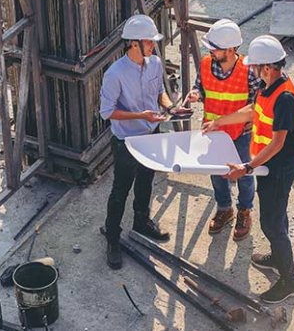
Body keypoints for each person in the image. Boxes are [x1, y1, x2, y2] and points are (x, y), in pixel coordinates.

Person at [203, 35, 294, 304]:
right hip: (268, 166)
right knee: (275, 217)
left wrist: (246, 167)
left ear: (268, 67)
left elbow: (278, 142)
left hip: (278, 168)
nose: (252, 71)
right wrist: (219, 122)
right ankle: (277, 258)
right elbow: (252, 111)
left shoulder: (284, 98)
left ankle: (290, 281)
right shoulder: (268, 88)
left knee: (271, 224)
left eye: (255, 67)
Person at [98, 14, 178, 270]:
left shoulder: (154, 63)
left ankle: (141, 221)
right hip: (126, 140)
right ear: (134, 44)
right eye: (148, 42)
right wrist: (139, 115)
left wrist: (171, 107)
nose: (153, 46)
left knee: (146, 179)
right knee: (120, 189)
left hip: (150, 133)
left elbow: (160, 93)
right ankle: (112, 238)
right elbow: (107, 111)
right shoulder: (115, 74)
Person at [184, 19, 260, 241]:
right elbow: (201, 86)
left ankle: (244, 210)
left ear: (230, 48)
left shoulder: (248, 70)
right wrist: (196, 93)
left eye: (214, 47)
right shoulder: (207, 64)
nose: (211, 51)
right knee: (217, 173)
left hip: (240, 134)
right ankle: (224, 208)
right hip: (213, 132)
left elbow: (258, 103)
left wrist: (252, 120)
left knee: (245, 174)